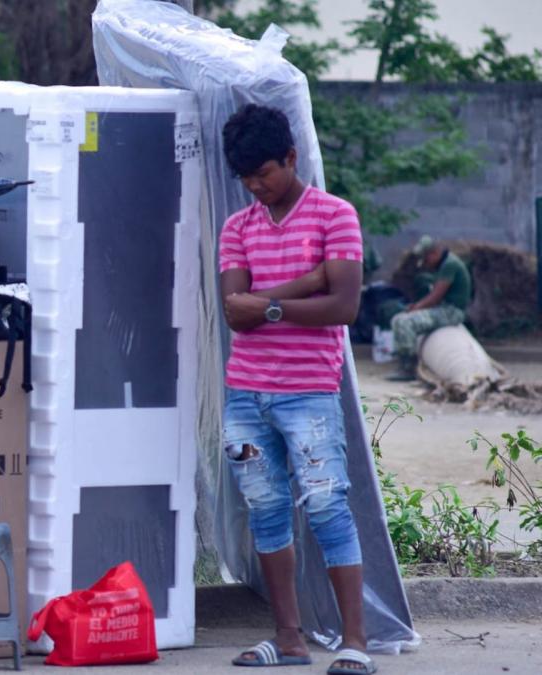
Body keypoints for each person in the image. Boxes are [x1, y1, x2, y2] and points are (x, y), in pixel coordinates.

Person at [217, 105, 375, 675]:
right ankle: (288, 639)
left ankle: (354, 642)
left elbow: (344, 305)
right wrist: (307, 282)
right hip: (246, 395)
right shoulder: (237, 227)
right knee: (265, 509)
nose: (256, 187)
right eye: (246, 179)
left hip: (308, 392)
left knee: (328, 504)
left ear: (291, 157)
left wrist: (271, 303)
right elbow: (236, 314)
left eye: (264, 172)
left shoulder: (336, 216)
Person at [386, 235, 472, 381]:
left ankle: (408, 368)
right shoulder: (444, 264)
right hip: (443, 309)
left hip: (452, 312)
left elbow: (435, 296)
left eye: (425, 259)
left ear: (434, 253)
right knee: (398, 319)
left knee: (406, 322)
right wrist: (416, 307)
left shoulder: (450, 265)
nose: (424, 263)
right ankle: (403, 361)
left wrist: (416, 308)